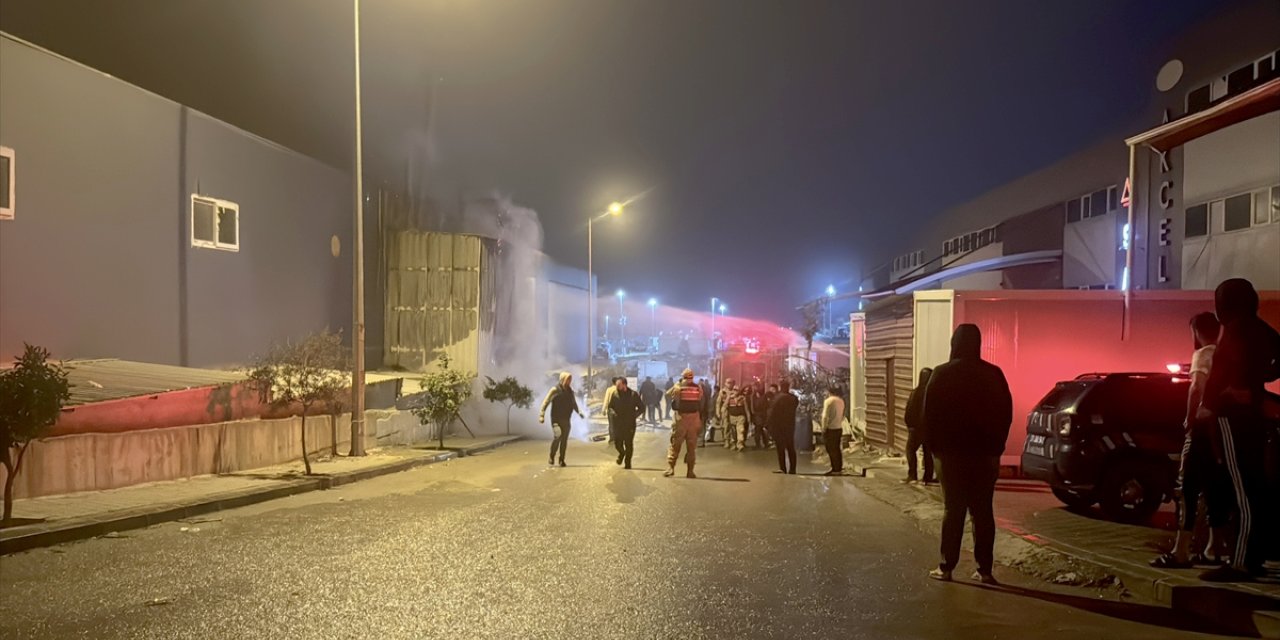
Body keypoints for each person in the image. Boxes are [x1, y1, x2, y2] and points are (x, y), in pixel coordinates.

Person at [1198, 278, 1280, 582]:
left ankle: (1242, 561)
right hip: (1250, 416)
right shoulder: (1258, 327)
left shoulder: (1235, 329)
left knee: (1244, 489)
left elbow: (1224, 374)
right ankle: (1252, 556)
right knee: (1254, 484)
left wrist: (1236, 391)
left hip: (1232, 417)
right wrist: (1261, 382)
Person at [924, 324, 1012, 585]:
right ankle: (984, 570)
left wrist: (934, 449)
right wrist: (997, 448)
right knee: (983, 511)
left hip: (950, 455)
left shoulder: (941, 374)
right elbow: (1006, 413)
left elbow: (929, 415)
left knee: (953, 510)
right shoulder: (994, 374)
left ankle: (946, 566)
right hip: (984, 455)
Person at [1152, 312, 1232, 568]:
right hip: (1220, 432)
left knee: (1187, 489)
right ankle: (1215, 548)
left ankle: (1181, 551)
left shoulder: (1202, 355)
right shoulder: (1225, 356)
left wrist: (1189, 420)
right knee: (1214, 489)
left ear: (1196, 332)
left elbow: (1196, 387)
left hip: (1200, 430)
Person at [539, 372, 585, 467]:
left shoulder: (570, 391)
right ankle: (552, 455)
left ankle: (562, 459)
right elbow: (546, 402)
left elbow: (573, 403)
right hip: (556, 419)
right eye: (568, 379)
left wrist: (579, 412)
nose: (569, 381)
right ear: (562, 379)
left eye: (570, 379)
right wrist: (542, 414)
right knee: (558, 435)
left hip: (566, 419)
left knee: (564, 440)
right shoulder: (555, 390)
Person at [665, 369, 704, 478]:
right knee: (691, 447)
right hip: (694, 419)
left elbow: (667, 395)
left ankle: (671, 468)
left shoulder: (678, 388)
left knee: (675, 445)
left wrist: (676, 385)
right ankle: (690, 471)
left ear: (683, 377)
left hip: (681, 419)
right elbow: (700, 401)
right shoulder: (698, 388)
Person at [903, 367, 936, 484]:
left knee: (910, 450)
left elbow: (909, 409)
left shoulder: (915, 392)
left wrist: (909, 424)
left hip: (915, 429)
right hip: (929, 429)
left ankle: (912, 475)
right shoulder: (933, 393)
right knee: (928, 454)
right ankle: (928, 476)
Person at [608, 377, 645, 469]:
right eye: (616, 385)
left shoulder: (633, 395)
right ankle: (622, 453)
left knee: (628, 443)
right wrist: (613, 413)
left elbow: (642, 408)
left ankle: (627, 463)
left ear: (624, 385)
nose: (617, 387)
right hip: (618, 423)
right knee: (617, 443)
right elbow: (610, 407)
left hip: (629, 424)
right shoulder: (615, 394)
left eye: (619, 385)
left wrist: (634, 415)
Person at [769, 380, 799, 474]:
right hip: (790, 425)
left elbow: (772, 412)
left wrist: (768, 424)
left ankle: (782, 468)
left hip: (779, 425)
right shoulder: (794, 398)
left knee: (780, 448)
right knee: (790, 447)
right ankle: (793, 469)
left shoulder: (777, 398)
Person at [719, 378, 752, 452]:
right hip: (731, 417)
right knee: (732, 431)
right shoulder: (728, 398)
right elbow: (724, 406)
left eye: (737, 390)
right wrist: (720, 414)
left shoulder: (742, 398)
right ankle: (733, 444)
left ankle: (740, 445)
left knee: (740, 430)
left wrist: (748, 417)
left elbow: (746, 409)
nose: (735, 392)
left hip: (740, 417)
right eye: (734, 390)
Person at [821, 386, 846, 475]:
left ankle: (834, 468)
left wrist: (823, 428)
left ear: (829, 392)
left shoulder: (828, 401)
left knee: (830, 449)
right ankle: (838, 468)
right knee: (837, 448)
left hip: (830, 428)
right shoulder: (841, 401)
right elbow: (842, 415)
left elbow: (825, 416)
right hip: (838, 428)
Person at [753, 383, 774, 449]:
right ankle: (763, 443)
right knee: (760, 430)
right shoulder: (759, 397)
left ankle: (759, 444)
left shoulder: (759, 397)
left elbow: (758, 406)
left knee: (759, 430)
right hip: (760, 415)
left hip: (759, 415)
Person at [601, 376, 621, 444]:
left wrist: (603, 410)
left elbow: (606, 400)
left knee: (611, 424)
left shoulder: (609, 389)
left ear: (612, 382)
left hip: (610, 410)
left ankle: (612, 438)